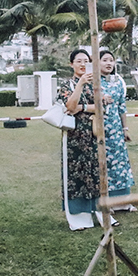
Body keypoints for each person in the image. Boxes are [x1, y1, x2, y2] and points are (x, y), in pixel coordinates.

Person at [56, 49, 117, 230]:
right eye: (79, 61)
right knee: (76, 175)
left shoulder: (95, 84)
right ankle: (78, 215)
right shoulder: (67, 84)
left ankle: (99, 211)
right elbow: (70, 107)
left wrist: (87, 106)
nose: (83, 64)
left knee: (96, 173)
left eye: (86, 61)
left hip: (93, 134)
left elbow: (101, 107)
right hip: (74, 136)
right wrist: (81, 85)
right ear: (72, 64)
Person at [99, 50, 136, 212]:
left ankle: (124, 201)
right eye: (105, 60)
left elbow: (122, 106)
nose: (108, 63)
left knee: (120, 163)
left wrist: (125, 128)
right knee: (104, 164)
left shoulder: (118, 81)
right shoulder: (92, 81)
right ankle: (107, 202)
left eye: (111, 60)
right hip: (98, 127)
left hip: (115, 128)